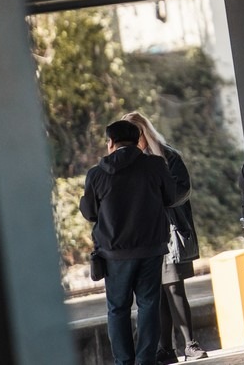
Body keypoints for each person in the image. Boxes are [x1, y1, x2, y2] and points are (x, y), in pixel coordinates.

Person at [80, 119, 178, 365]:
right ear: (137, 141)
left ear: (110, 143)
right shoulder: (156, 165)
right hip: (151, 248)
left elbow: (90, 213)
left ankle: (124, 361)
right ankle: (146, 360)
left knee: (118, 309)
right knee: (148, 305)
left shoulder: (96, 174)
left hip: (114, 254)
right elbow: (172, 197)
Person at [124, 111, 209, 363]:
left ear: (142, 133)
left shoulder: (167, 155)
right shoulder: (131, 161)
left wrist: (153, 199)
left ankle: (190, 344)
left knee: (174, 287)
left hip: (170, 231)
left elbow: (182, 190)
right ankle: (166, 349)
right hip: (147, 235)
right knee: (157, 291)